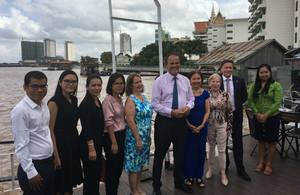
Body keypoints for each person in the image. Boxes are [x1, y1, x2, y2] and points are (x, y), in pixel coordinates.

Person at [151, 52, 195, 195]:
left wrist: (188, 107)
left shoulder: (185, 80)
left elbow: (191, 98)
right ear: (166, 65)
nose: (174, 65)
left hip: (181, 121)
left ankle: (179, 182)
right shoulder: (159, 81)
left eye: (177, 63)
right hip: (165, 121)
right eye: (171, 63)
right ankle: (156, 186)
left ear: (179, 64)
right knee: (159, 154)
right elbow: (155, 104)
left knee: (180, 153)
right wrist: (171, 111)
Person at [10, 71, 54, 194]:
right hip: (35, 166)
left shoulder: (44, 106)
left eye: (43, 86)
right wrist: (30, 172)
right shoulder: (21, 111)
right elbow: (20, 145)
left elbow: (46, 133)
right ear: (25, 87)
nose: (39, 90)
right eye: (35, 86)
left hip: (48, 163)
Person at [48, 70, 83, 195]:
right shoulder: (54, 102)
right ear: (60, 82)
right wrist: (56, 155)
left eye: (74, 81)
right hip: (60, 144)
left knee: (69, 181)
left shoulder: (74, 100)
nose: (70, 84)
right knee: (60, 182)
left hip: (72, 142)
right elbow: (50, 129)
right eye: (67, 81)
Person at [248, 64, 283, 176]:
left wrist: (266, 115)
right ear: (258, 74)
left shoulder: (276, 85)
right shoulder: (254, 85)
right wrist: (257, 113)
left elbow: (277, 102)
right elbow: (251, 100)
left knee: (271, 141)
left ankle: (269, 164)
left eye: (266, 72)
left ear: (270, 73)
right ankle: (261, 161)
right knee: (260, 140)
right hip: (258, 117)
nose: (264, 74)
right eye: (261, 72)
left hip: (272, 117)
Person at [220, 59, 251, 181]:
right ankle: (225, 166)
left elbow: (244, 97)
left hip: (236, 115)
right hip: (222, 117)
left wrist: (234, 106)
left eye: (230, 67)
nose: (228, 70)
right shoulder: (216, 81)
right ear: (221, 68)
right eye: (226, 67)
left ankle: (240, 169)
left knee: (238, 143)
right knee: (223, 143)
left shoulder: (240, 81)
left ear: (233, 68)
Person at [124, 73, 153, 195]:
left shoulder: (143, 97)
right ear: (131, 85)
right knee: (134, 166)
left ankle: (138, 189)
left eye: (140, 81)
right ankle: (133, 191)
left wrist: (148, 136)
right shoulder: (131, 99)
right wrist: (138, 139)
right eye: (136, 82)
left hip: (145, 138)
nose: (139, 84)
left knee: (140, 165)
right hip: (135, 139)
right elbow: (130, 120)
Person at [183, 70, 210, 188]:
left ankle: (199, 176)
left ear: (201, 80)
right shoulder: (184, 93)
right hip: (188, 126)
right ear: (189, 80)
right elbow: (182, 110)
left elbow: (207, 111)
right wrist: (188, 124)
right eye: (193, 79)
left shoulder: (205, 93)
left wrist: (202, 124)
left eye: (198, 78)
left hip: (201, 126)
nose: (196, 81)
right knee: (189, 151)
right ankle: (189, 175)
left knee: (200, 151)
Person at [79, 74, 105, 194]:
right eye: (93, 85)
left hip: (97, 143)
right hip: (89, 145)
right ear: (87, 87)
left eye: (99, 85)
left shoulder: (97, 101)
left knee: (95, 175)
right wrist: (91, 148)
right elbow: (86, 128)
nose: (96, 88)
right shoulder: (86, 104)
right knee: (90, 176)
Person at [206, 73, 233, 186]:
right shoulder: (205, 94)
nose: (215, 84)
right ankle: (210, 168)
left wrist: (229, 128)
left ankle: (223, 173)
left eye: (217, 82)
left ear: (220, 83)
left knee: (222, 149)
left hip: (222, 123)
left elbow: (230, 112)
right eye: (213, 82)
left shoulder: (226, 95)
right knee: (211, 147)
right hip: (209, 124)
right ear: (209, 83)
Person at [102, 73, 126, 195]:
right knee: (112, 170)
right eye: (116, 83)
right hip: (112, 137)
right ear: (111, 85)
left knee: (118, 169)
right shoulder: (108, 100)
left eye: (121, 83)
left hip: (121, 135)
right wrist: (114, 143)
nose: (119, 86)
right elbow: (108, 122)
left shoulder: (119, 99)